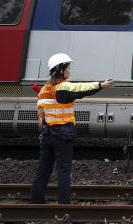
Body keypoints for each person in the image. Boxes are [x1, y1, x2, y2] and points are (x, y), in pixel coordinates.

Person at [30, 53, 113, 204]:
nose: (69, 71)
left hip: (47, 134)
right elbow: (81, 88)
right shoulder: (64, 87)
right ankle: (64, 204)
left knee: (43, 169)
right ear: (61, 70)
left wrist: (42, 132)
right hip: (63, 134)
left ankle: (35, 202)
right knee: (63, 170)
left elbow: (41, 114)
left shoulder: (43, 90)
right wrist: (100, 85)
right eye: (68, 68)